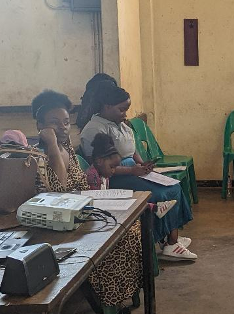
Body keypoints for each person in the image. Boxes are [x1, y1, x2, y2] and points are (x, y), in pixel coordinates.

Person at [31, 90, 143, 314]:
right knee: (116, 240)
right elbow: (59, 192)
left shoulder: (67, 146)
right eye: (54, 123)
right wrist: (51, 145)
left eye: (65, 122)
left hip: (82, 208)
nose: (62, 128)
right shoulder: (38, 155)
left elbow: (80, 184)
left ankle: (120, 295)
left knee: (132, 226)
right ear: (39, 125)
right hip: (61, 219)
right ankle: (108, 302)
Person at [80, 81, 197, 261]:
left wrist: (143, 165)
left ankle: (169, 239)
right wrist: (132, 171)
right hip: (116, 177)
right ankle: (170, 243)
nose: (124, 114)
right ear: (107, 106)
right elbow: (101, 168)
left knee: (174, 186)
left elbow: (131, 148)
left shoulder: (120, 123)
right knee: (162, 193)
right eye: (121, 109)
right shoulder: (95, 129)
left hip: (133, 169)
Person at [84, 132, 178, 219]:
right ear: (99, 161)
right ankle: (154, 208)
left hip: (105, 205)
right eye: (112, 167)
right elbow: (95, 202)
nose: (113, 171)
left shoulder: (103, 173)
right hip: (98, 211)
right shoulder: (93, 177)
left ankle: (154, 208)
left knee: (132, 199)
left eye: (115, 167)